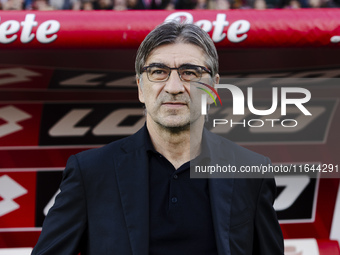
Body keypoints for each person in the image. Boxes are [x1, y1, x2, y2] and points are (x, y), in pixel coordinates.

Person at [31, 21, 284, 255]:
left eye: (190, 73)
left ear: (213, 88)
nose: (174, 87)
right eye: (158, 71)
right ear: (141, 87)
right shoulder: (90, 172)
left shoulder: (251, 172)